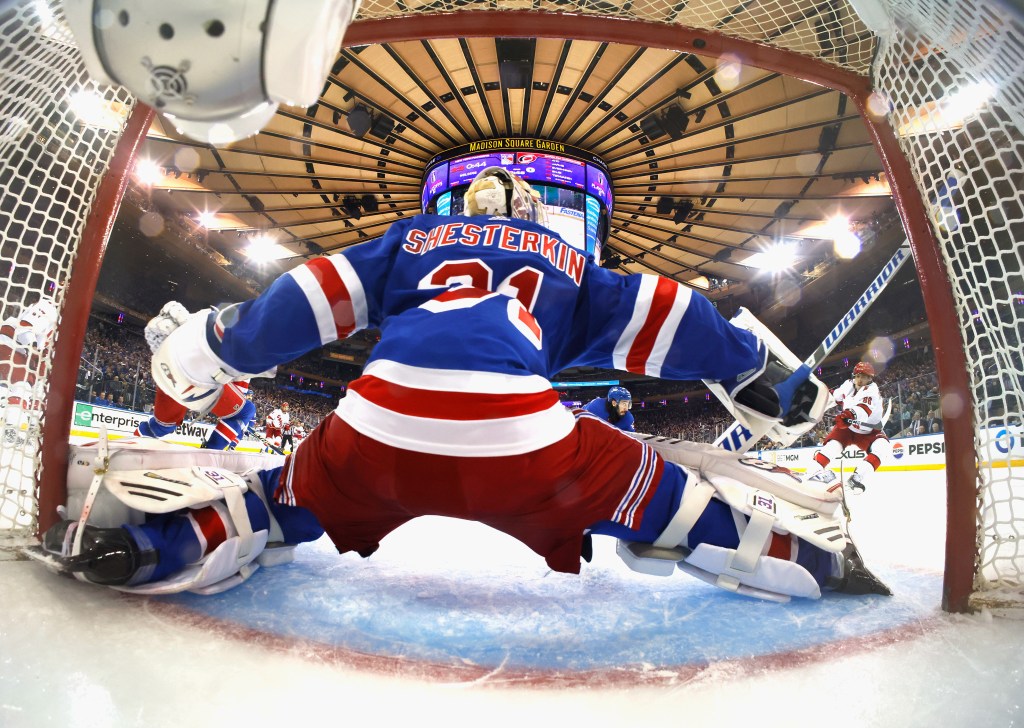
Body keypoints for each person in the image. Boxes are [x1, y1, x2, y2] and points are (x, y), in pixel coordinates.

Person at [36, 167, 887, 601]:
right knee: (664, 494)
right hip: (525, 443)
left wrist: (216, 343)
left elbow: (309, 298)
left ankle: (152, 548)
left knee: (280, 497)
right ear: (529, 215)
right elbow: (674, 316)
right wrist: (769, 375)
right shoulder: (569, 260)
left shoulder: (410, 241)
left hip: (378, 422)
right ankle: (808, 561)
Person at [133, 302, 256, 451]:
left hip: (165, 367)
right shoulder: (248, 346)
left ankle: (131, 443)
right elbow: (237, 408)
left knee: (163, 427)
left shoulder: (207, 314)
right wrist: (237, 431)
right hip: (195, 375)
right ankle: (207, 455)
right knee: (244, 412)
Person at [807, 361, 892, 493]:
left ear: (870, 378)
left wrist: (848, 415)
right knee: (832, 447)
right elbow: (834, 397)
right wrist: (818, 403)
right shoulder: (848, 385)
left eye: (864, 376)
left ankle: (856, 478)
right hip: (847, 428)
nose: (860, 379)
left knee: (883, 448)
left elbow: (863, 410)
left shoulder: (872, 391)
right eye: (858, 376)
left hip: (868, 432)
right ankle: (813, 471)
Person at [0, 296, 58, 444]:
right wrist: (33, 349)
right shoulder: (49, 306)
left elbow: (44, 349)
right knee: (22, 386)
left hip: (19, 349)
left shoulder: (61, 321)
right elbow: (25, 328)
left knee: (35, 391)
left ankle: (31, 429)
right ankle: (11, 430)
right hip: (11, 343)